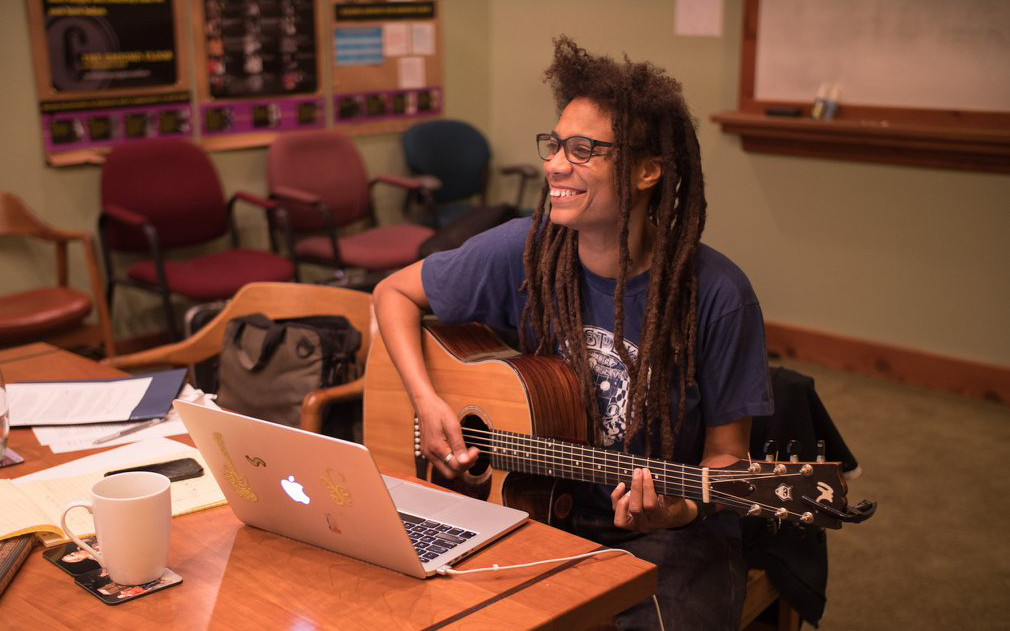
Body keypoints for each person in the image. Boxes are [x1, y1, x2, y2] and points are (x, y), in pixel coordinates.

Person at [373, 36, 773, 631]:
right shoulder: (526, 248)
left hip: (668, 536)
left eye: (584, 150)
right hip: (529, 506)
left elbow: (727, 459)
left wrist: (674, 511)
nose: (556, 164)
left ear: (646, 170)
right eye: (555, 144)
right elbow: (393, 294)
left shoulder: (717, 295)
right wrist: (428, 402)